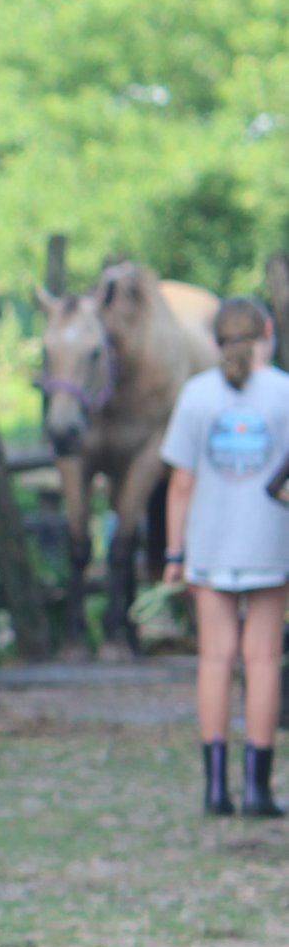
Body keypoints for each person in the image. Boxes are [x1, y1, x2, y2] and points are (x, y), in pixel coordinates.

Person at [158, 295, 289, 818]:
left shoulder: (196, 395)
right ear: (267, 333)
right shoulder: (284, 392)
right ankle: (257, 788)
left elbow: (181, 483)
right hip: (271, 545)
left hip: (210, 548)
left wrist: (174, 552)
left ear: (215, 342)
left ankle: (216, 788)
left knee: (214, 660)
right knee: (261, 662)